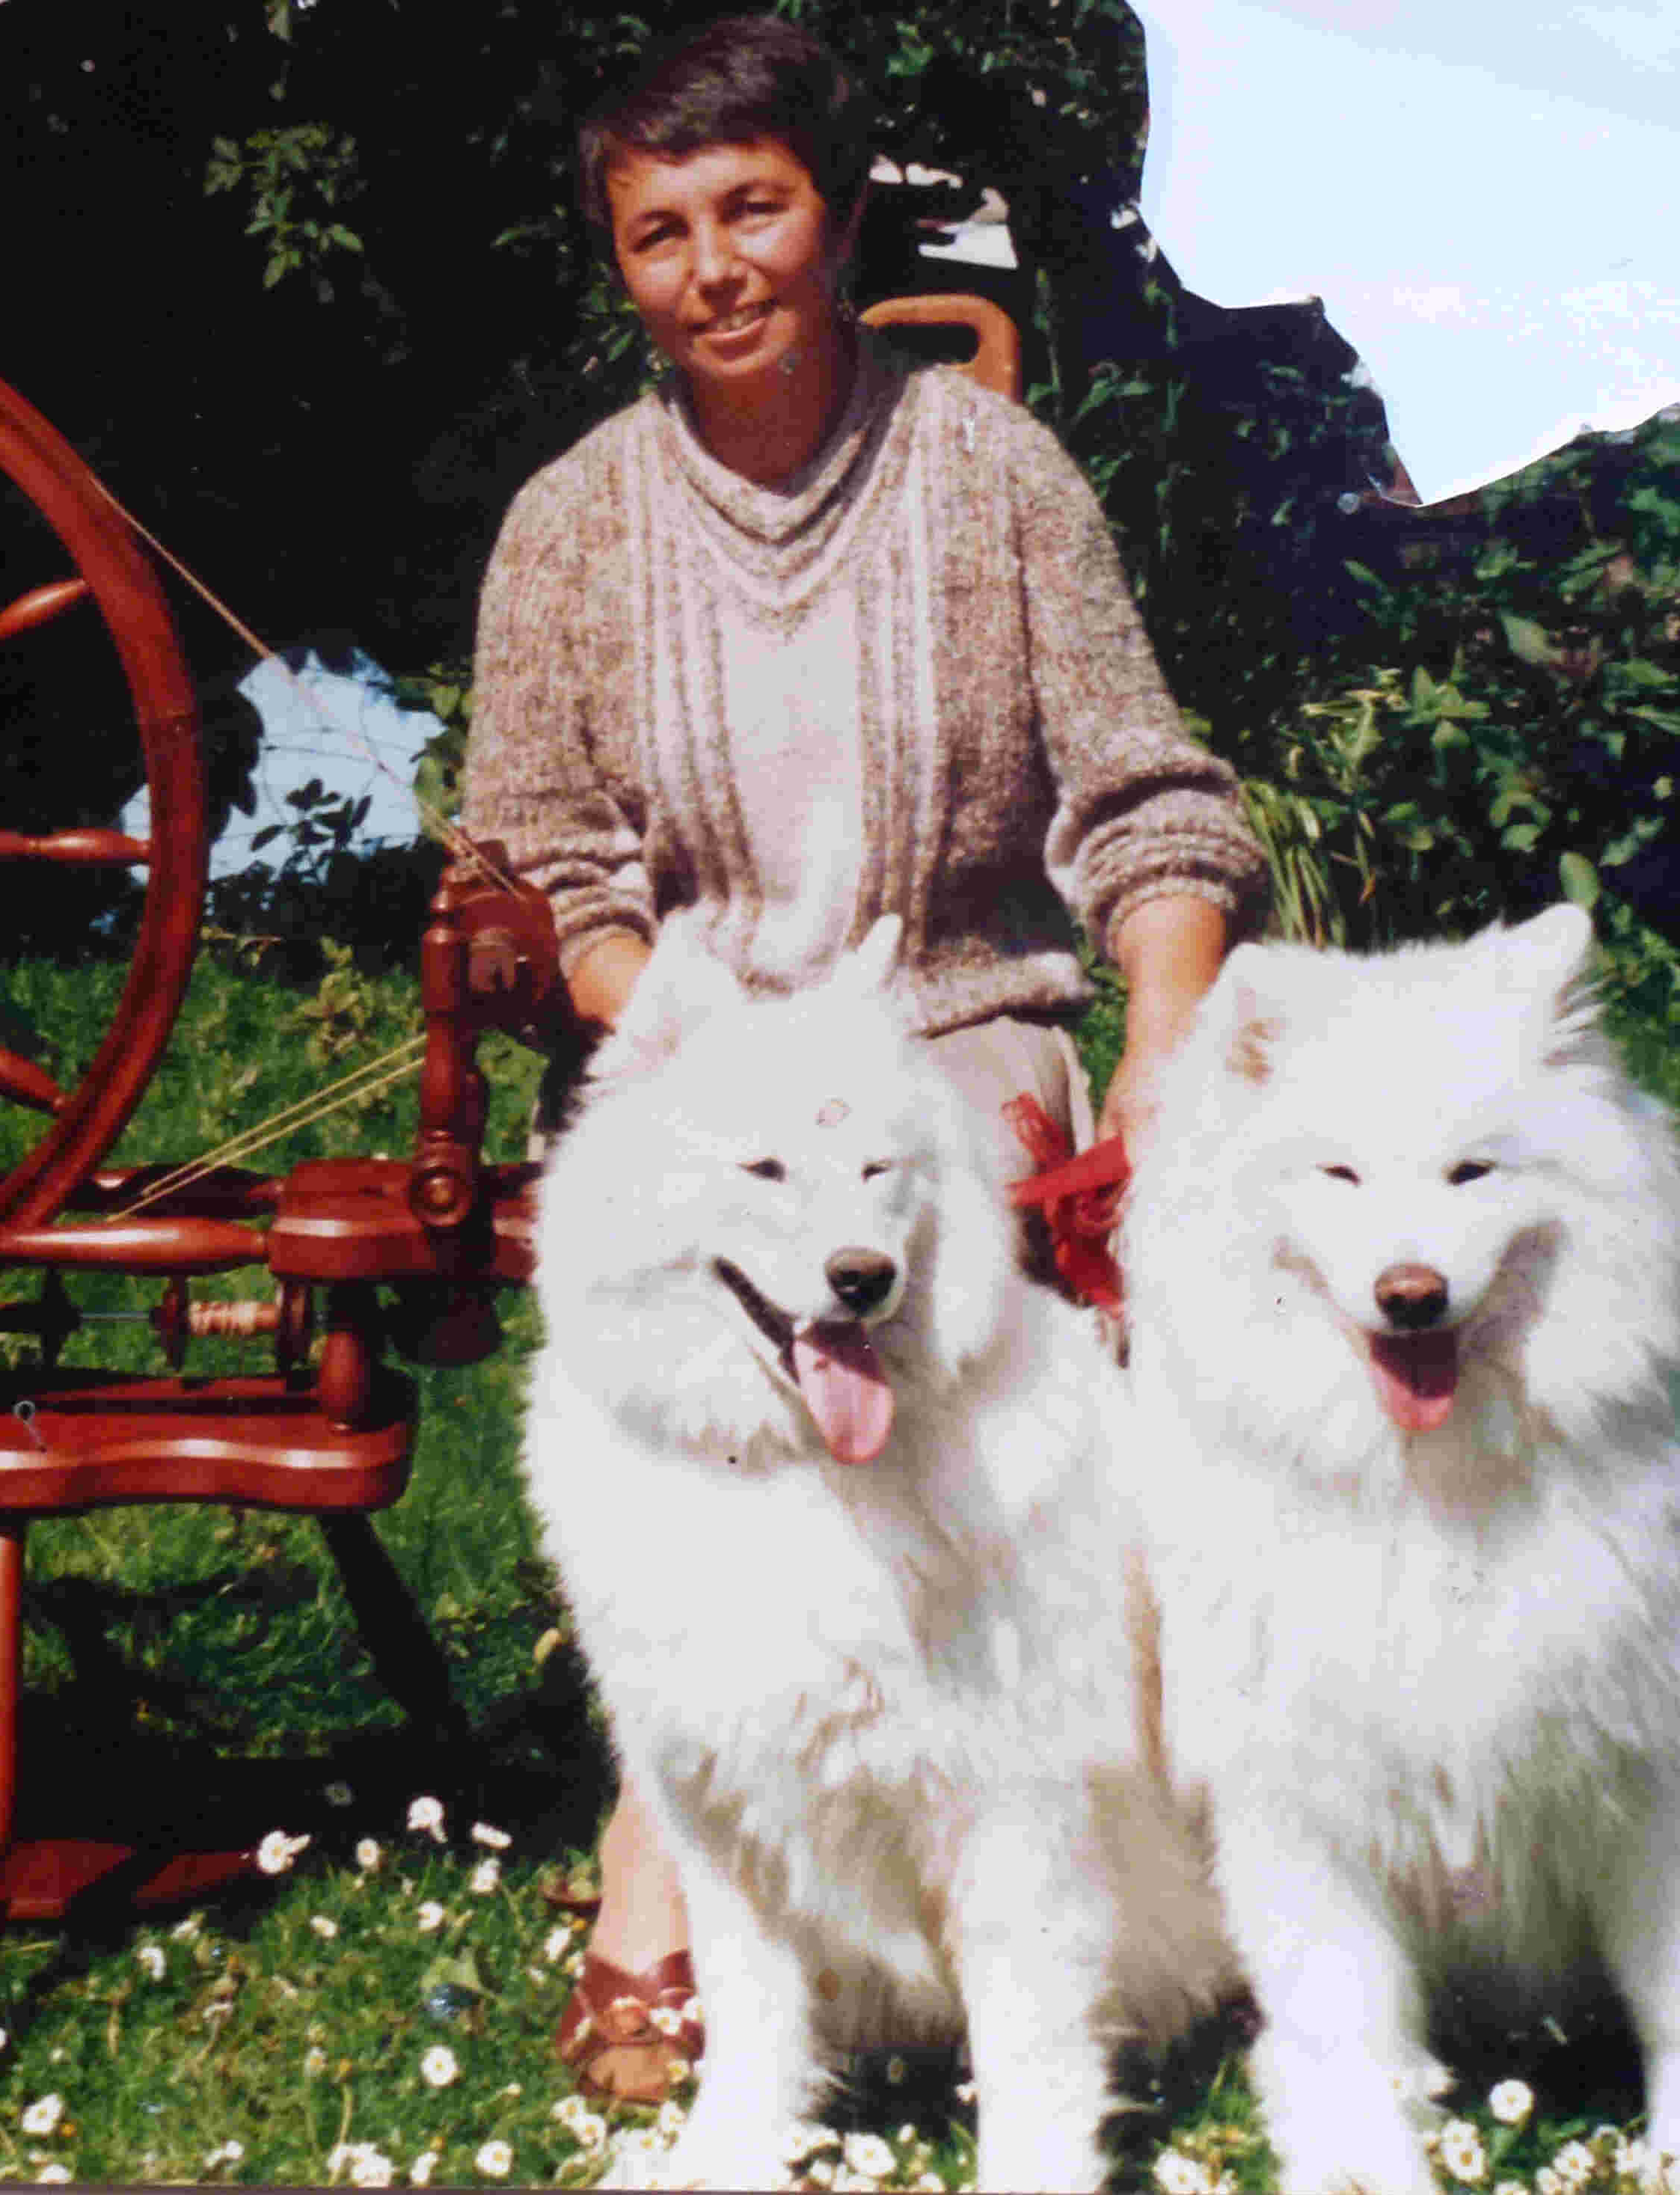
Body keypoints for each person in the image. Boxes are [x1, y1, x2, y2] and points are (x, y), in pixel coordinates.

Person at [459, 14, 1270, 2105]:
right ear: (616, 260)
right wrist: (685, 1033)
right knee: (686, 1376)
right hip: (699, 1052)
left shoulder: (991, 473)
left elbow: (1150, 802)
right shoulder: (570, 521)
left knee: (939, 1316)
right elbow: (545, 867)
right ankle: (678, 1839)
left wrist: (1165, 1049)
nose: (715, 265)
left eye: (754, 208)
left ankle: (1027, 1853)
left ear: (833, 214)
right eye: (660, 231)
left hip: (955, 1039)